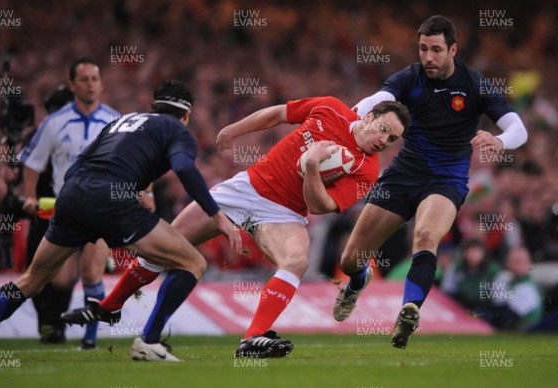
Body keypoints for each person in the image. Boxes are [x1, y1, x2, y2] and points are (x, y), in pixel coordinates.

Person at [61, 95, 411, 360]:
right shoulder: (331, 108)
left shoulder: (367, 171)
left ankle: (252, 338)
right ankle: (110, 306)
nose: (384, 141)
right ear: (371, 116)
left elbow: (320, 206)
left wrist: (313, 168)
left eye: (392, 139)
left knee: (296, 260)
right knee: (167, 243)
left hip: (285, 212)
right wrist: (234, 129)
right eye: (384, 130)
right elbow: (277, 113)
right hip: (246, 187)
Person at [0, 80, 241, 362]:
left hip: (73, 195)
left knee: (31, 280)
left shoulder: (122, 122)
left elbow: (77, 167)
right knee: (193, 262)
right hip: (111, 200)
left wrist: (81, 207)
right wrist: (218, 215)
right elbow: (182, 166)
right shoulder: (177, 129)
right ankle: (149, 342)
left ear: (154, 106)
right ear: (187, 115)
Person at [332, 15, 528, 349]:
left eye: (436, 49)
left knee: (425, 237)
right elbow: (378, 100)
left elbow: (518, 129)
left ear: (453, 49)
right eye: (423, 49)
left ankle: (409, 309)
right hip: (401, 177)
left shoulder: (475, 84)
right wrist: (356, 116)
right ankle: (357, 280)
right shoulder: (411, 78)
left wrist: (500, 141)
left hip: (446, 180)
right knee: (350, 259)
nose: (428, 57)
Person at [19, 58, 120, 348]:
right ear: (73, 84)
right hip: (65, 210)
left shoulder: (115, 120)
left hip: (101, 207)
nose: (91, 84)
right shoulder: (55, 122)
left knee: (91, 270)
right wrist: (29, 195)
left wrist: (141, 191)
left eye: (95, 79)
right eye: (84, 79)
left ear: (101, 84)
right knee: (61, 280)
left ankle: (90, 338)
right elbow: (32, 162)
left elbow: (136, 158)